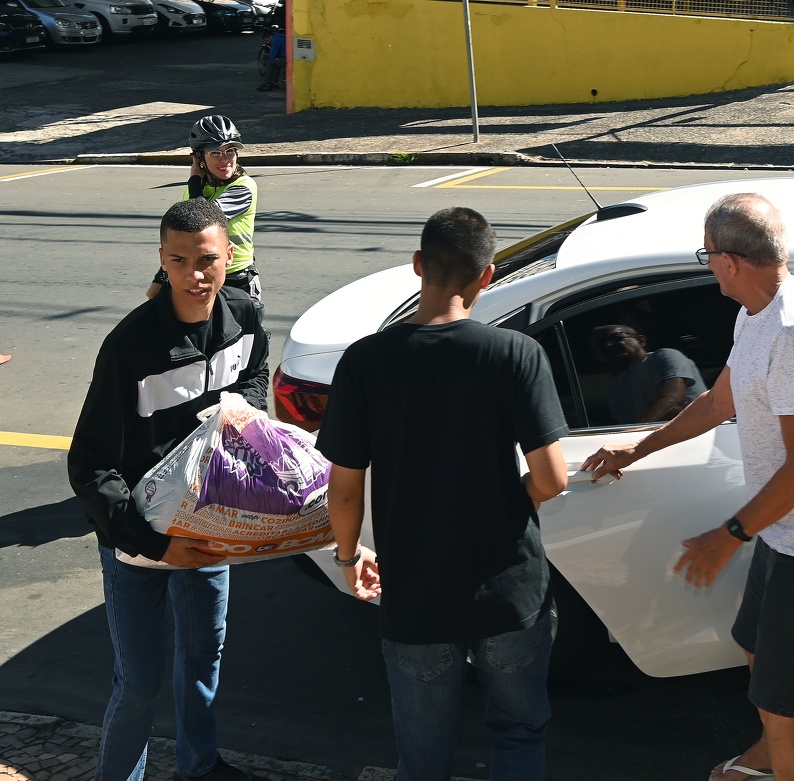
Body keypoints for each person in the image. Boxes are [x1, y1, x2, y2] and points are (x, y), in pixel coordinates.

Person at [581, 193, 794, 781]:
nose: (707, 266)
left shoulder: (792, 336)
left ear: (732, 261)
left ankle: (780, 752)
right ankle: (768, 750)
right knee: (753, 643)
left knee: (783, 701)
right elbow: (720, 400)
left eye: (707, 255)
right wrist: (637, 448)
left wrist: (729, 536)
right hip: (783, 528)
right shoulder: (756, 317)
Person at [316, 207, 569, 781]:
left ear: (417, 266)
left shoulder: (365, 362)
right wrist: (508, 500)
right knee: (520, 733)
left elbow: (346, 487)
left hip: (416, 596)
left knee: (423, 756)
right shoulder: (516, 355)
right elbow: (553, 478)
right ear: (488, 276)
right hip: (509, 590)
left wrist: (348, 558)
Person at [67, 199, 270, 781]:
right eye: (180, 261)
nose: (195, 274)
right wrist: (156, 547)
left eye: (207, 260)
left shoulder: (246, 315)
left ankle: (199, 766)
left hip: (210, 532)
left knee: (204, 661)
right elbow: (90, 466)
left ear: (229, 256)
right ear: (162, 260)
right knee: (139, 682)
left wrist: (243, 411)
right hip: (138, 545)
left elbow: (255, 372)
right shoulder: (129, 347)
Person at [147, 116, 261, 321]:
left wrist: (193, 180)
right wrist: (160, 279)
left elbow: (203, 220)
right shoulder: (197, 190)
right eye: (215, 153)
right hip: (199, 275)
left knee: (245, 342)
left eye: (230, 151)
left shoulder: (244, 187)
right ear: (199, 158)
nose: (225, 159)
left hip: (235, 278)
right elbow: (182, 240)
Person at [590, 323, 708, 424]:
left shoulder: (663, 356)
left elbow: (672, 403)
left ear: (641, 341)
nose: (608, 345)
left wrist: (635, 433)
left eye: (616, 338)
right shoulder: (613, 389)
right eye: (600, 344)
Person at [257, 28, 285, 92]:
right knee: (275, 62)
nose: (268, 42)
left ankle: (268, 83)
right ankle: (274, 82)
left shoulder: (276, 40)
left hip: (286, 59)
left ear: (270, 36)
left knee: (270, 62)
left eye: (267, 40)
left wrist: (266, 56)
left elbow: (272, 56)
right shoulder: (280, 37)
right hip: (287, 57)